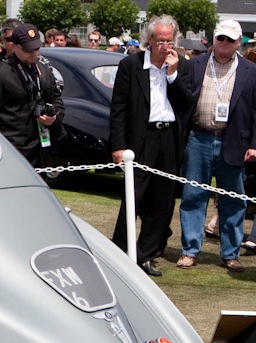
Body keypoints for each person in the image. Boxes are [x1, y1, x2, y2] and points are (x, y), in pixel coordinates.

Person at [109, 15, 193, 277]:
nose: (165, 46)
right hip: (139, 139)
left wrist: (172, 76)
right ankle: (120, 252)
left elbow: (186, 104)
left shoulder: (181, 67)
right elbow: (118, 109)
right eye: (160, 41)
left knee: (162, 201)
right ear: (150, 40)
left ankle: (146, 255)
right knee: (133, 198)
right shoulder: (130, 65)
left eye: (169, 41)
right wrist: (118, 146)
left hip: (167, 138)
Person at [175, 20, 256, 273]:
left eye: (230, 40)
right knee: (193, 196)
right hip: (199, 138)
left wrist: (254, 144)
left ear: (238, 43)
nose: (224, 43)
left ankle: (230, 254)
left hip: (234, 141)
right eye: (220, 38)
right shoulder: (195, 65)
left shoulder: (251, 70)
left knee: (233, 200)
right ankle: (190, 250)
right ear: (213, 39)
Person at [0, 23, 65, 168]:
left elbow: (57, 100)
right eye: (28, 49)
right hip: (11, 152)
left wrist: (54, 117)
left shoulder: (43, 70)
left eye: (36, 48)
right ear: (14, 45)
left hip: (39, 150)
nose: (33, 53)